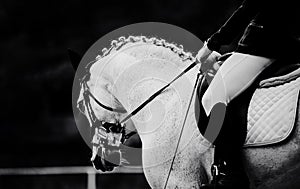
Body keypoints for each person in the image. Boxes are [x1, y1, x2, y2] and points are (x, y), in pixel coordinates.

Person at [196, 0, 300, 188]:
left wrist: (212, 44)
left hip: (264, 45)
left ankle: (231, 173)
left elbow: (249, 7)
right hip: (292, 47)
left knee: (212, 97)